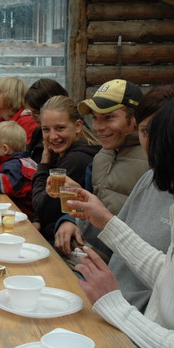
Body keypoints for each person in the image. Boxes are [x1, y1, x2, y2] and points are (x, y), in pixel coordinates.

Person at [70, 95, 174, 348]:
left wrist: (114, 304)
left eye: (152, 135)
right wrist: (105, 221)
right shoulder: (173, 204)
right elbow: (169, 276)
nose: (148, 147)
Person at [102, 85, 174, 312]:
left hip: (127, 310)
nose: (153, 143)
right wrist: (80, 217)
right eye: (145, 132)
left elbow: (170, 282)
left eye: (109, 117)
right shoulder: (149, 177)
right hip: (113, 301)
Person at [56, 79, 148, 258]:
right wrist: (70, 219)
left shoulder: (153, 163)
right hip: (87, 252)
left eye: (109, 117)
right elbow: (94, 205)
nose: (98, 127)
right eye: (95, 118)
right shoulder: (101, 156)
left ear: (135, 119)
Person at [31, 96, 101, 240]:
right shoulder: (62, 153)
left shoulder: (76, 159)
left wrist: (44, 165)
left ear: (78, 126)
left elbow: (43, 208)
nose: (53, 137)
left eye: (60, 128)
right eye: (46, 129)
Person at [0, 121, 37, 218]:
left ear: (5, 149)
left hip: (23, 212)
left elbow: (7, 185)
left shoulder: (15, 165)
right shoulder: (22, 161)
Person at [24, 78, 68, 163]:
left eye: (36, 113)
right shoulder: (38, 132)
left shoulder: (74, 155)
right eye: (46, 129)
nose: (31, 117)